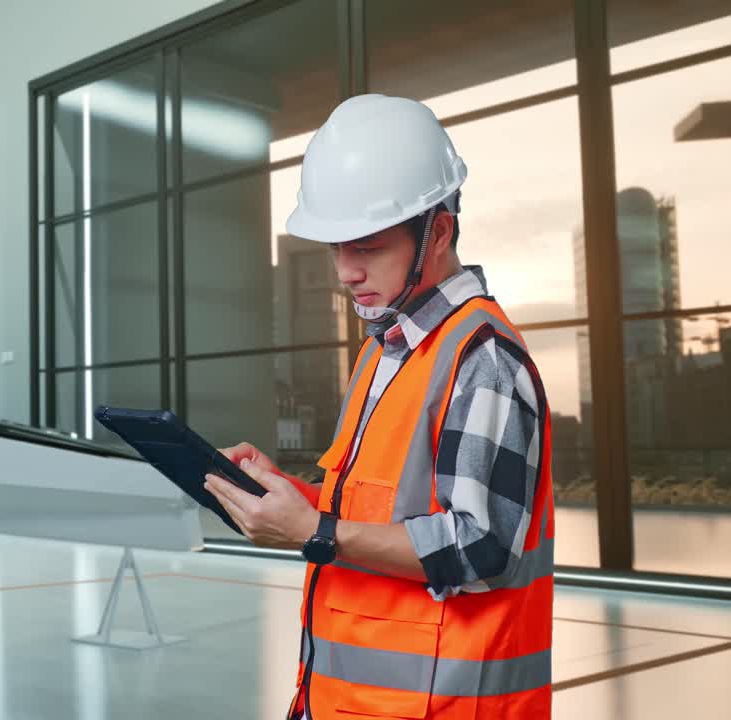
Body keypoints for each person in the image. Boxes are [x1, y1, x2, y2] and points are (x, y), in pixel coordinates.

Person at [203, 94, 555, 720]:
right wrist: (284, 496)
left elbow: (482, 550)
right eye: (337, 248)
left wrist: (315, 532)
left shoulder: (484, 361)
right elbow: (373, 511)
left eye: (366, 246)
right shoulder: (386, 350)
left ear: (438, 232)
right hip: (346, 701)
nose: (345, 271)